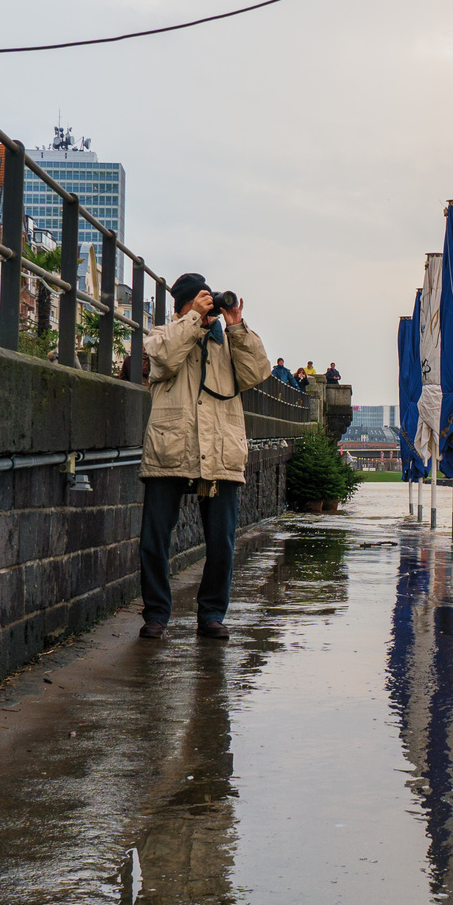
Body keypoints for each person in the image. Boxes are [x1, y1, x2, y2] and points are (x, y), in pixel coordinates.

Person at [138, 273, 271, 640]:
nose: (207, 310)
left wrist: (237, 327)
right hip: (170, 448)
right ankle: (156, 615)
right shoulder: (164, 334)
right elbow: (162, 358)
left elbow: (258, 373)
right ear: (181, 306)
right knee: (154, 539)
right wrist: (192, 320)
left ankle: (212, 614)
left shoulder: (226, 344)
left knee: (222, 540)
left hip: (220, 451)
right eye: (199, 303)